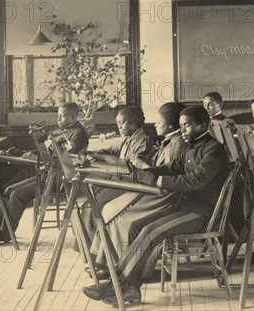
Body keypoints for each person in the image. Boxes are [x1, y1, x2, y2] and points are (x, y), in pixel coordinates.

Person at [82, 105, 230, 306]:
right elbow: (171, 168)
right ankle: (132, 290)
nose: (183, 131)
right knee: (136, 226)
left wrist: (158, 181)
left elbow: (194, 181)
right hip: (183, 207)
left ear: (203, 125)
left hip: (201, 213)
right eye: (181, 126)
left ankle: (114, 283)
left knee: (151, 232)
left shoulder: (214, 150)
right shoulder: (193, 146)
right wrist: (151, 173)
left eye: (187, 126)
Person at [0, 102, 89, 247]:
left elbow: (65, 159)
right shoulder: (65, 130)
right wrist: (26, 151)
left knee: (17, 194)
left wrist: (43, 150)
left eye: (61, 117)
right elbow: (49, 155)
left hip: (62, 181)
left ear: (73, 116)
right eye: (57, 116)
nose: (58, 119)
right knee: (9, 190)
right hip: (49, 175)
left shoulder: (78, 134)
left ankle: (3, 233)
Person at [89, 102, 188, 277]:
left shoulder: (177, 143)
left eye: (159, 122)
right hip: (153, 189)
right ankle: (109, 264)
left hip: (164, 196)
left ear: (171, 124)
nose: (155, 124)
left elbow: (168, 176)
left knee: (119, 216)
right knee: (109, 209)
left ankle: (123, 268)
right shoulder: (170, 141)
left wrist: (142, 165)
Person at [81, 106, 155, 239]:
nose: (119, 127)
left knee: (95, 205)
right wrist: (96, 153)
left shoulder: (143, 141)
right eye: (117, 124)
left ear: (133, 124)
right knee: (89, 202)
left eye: (122, 123)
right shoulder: (127, 140)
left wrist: (104, 158)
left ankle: (101, 247)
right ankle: (89, 248)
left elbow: (129, 166)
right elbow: (110, 151)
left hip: (132, 185)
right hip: (120, 181)